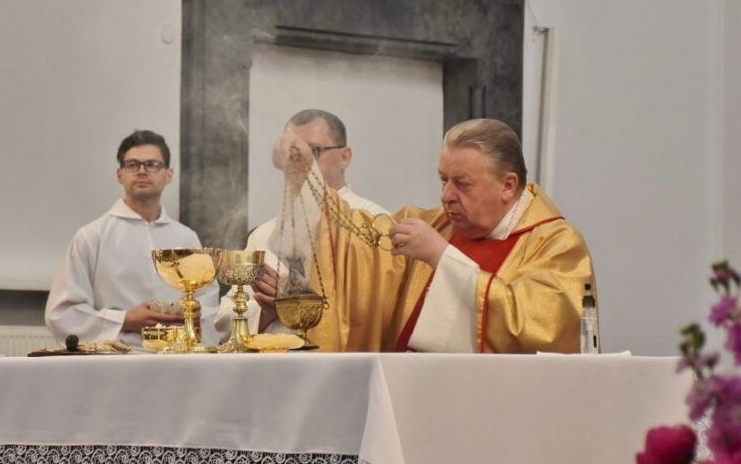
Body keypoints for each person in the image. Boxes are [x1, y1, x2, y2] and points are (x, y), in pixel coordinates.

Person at [271, 118, 595, 353]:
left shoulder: (557, 244)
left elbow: (541, 329)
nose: (446, 195)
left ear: (508, 185)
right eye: (443, 180)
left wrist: (442, 257)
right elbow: (356, 242)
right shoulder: (434, 225)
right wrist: (304, 174)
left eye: (462, 183)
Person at [213, 109, 389, 340]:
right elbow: (225, 322)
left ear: (345, 157)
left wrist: (298, 298)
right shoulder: (264, 234)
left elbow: (382, 314)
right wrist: (267, 312)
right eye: (291, 153)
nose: (299, 162)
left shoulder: (374, 224)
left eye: (313, 151)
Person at [44, 130, 219, 348]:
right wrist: (124, 320)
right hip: (118, 357)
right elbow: (62, 313)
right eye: (132, 165)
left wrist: (193, 315)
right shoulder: (92, 237)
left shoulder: (186, 238)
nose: (142, 171)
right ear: (120, 174)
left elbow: (209, 304)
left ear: (168, 174)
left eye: (152, 165)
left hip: (178, 354)